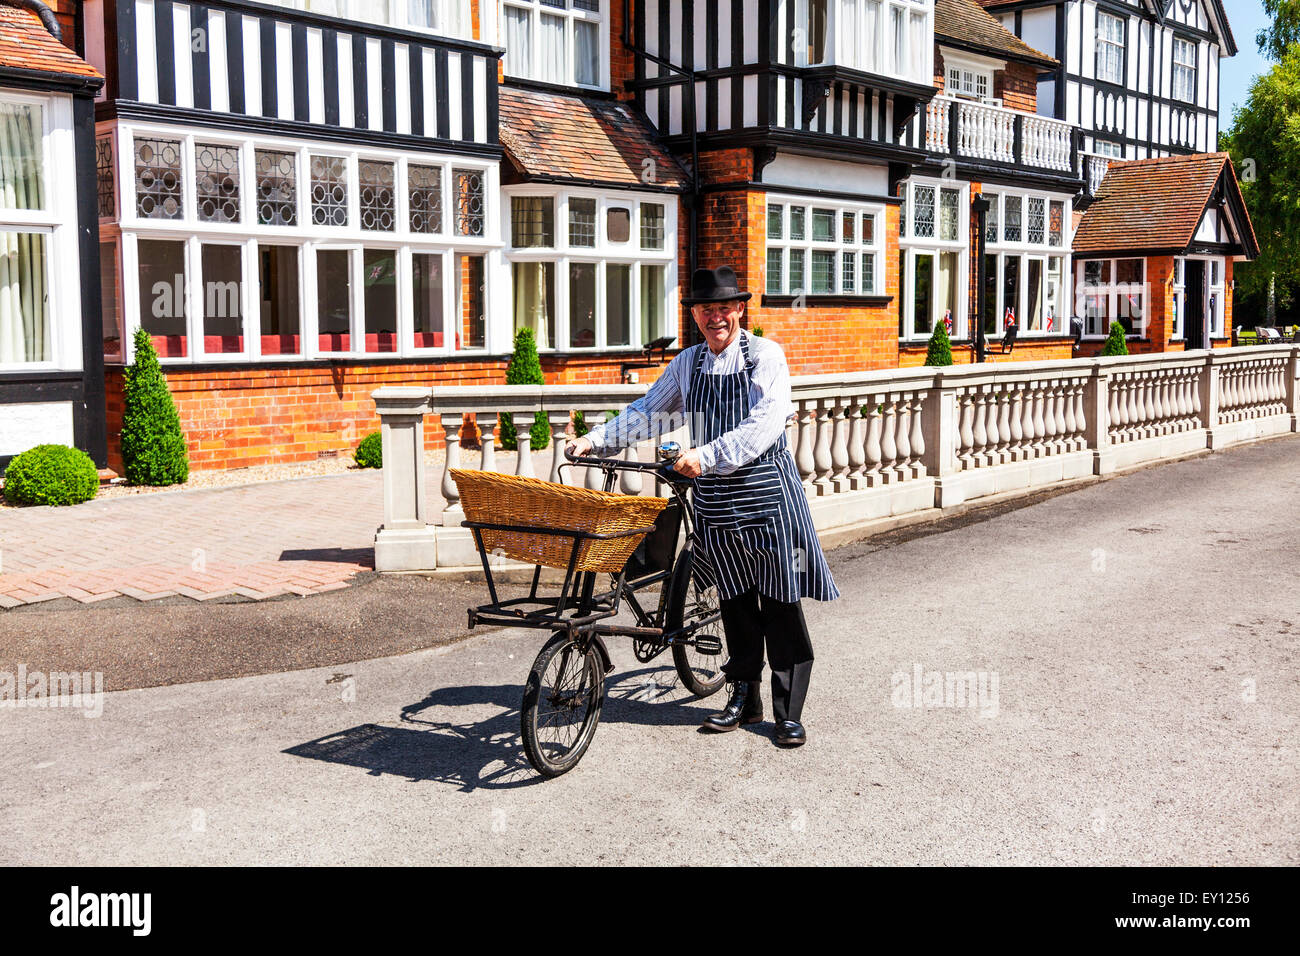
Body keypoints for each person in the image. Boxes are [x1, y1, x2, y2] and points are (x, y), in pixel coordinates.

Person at [566, 266, 839, 747]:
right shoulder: (689, 364)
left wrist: (708, 455)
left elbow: (764, 425)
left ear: (740, 309)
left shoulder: (765, 358)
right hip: (715, 499)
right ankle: (742, 696)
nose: (715, 317)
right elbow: (649, 411)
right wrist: (596, 440)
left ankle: (787, 710)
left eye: (723, 308)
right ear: (695, 314)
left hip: (767, 497)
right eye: (705, 309)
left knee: (779, 602)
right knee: (733, 602)